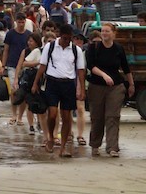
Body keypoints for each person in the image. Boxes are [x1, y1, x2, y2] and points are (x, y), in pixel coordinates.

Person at [32, 22, 86, 157]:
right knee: (52, 114)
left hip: (68, 84)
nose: (67, 41)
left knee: (67, 117)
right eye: (65, 38)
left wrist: (82, 89)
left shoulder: (76, 50)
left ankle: (63, 147)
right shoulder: (49, 47)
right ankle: (51, 136)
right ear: (59, 36)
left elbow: (80, 71)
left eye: (70, 39)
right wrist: (35, 83)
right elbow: (42, 66)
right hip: (52, 83)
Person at [86, 23, 131, 158]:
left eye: (107, 31)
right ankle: (95, 145)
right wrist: (104, 75)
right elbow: (91, 66)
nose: (104, 33)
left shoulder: (118, 48)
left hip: (115, 87)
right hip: (97, 86)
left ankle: (112, 147)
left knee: (113, 117)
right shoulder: (94, 48)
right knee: (97, 117)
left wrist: (131, 84)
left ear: (113, 33)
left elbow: (126, 67)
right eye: (103, 31)